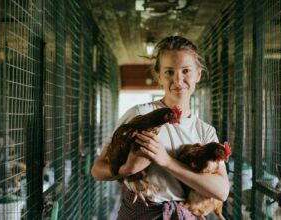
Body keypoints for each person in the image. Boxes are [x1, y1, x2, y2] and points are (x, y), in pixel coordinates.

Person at [91, 36, 230, 219]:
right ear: (159, 76)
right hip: (141, 212)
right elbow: (97, 170)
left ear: (198, 75)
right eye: (169, 72)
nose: (178, 80)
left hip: (186, 213)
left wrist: (167, 162)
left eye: (186, 71)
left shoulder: (205, 131)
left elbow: (221, 191)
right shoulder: (139, 115)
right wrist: (127, 169)